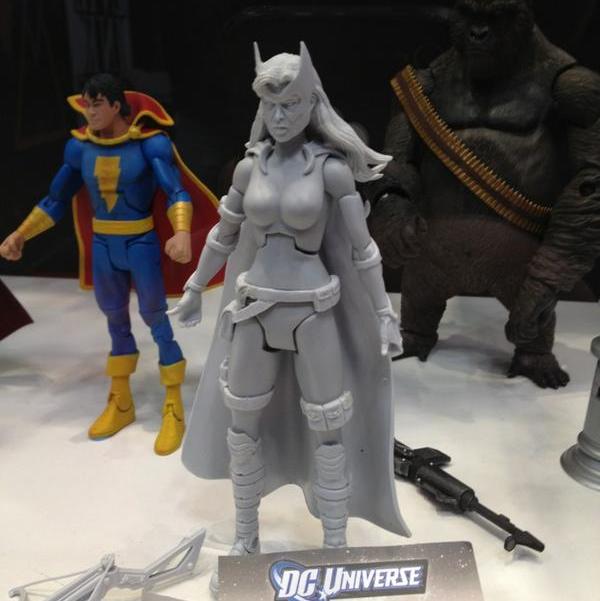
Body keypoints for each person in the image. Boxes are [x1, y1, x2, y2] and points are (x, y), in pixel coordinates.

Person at [168, 42, 409, 592]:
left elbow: (363, 250)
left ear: (311, 104)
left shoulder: (331, 172)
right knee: (242, 428)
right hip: (254, 311)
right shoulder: (248, 167)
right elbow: (223, 234)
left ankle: (334, 543)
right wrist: (194, 287)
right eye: (271, 105)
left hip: (311, 312)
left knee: (329, 430)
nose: (279, 117)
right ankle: (246, 539)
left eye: (291, 105)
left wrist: (383, 312)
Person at [0, 73, 219, 455]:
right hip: (104, 245)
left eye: (97, 103)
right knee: (115, 319)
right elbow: (55, 200)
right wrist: (21, 234)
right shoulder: (79, 148)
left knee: (155, 317)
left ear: (117, 105)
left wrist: (182, 231)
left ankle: (172, 403)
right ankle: (121, 400)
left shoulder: (150, 145)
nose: (90, 111)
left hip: (140, 242)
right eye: (87, 104)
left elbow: (176, 192)